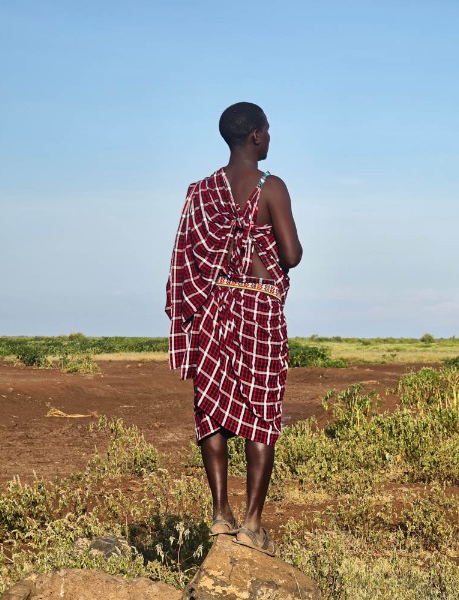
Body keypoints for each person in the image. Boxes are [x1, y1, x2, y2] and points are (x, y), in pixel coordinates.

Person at [166, 102, 302, 556]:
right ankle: (252, 524)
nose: (270, 137)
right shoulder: (272, 187)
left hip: (212, 306)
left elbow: (187, 253)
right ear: (256, 137)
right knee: (260, 412)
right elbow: (293, 254)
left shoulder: (200, 191)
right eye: (268, 130)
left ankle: (220, 515)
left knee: (213, 408)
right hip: (258, 311)